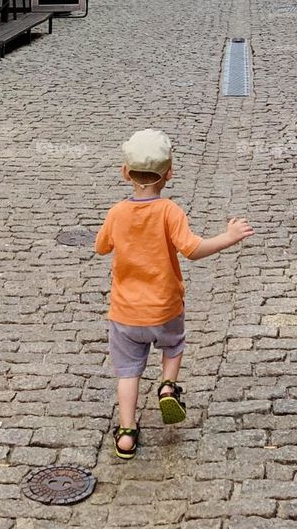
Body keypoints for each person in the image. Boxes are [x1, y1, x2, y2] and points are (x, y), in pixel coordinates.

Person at [95, 129, 253, 459]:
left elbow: (101, 247)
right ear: (169, 174)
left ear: (125, 172)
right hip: (165, 307)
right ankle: (168, 386)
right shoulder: (170, 211)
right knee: (173, 345)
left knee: (127, 372)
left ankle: (126, 433)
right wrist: (229, 236)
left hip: (125, 313)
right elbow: (193, 250)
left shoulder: (116, 213)